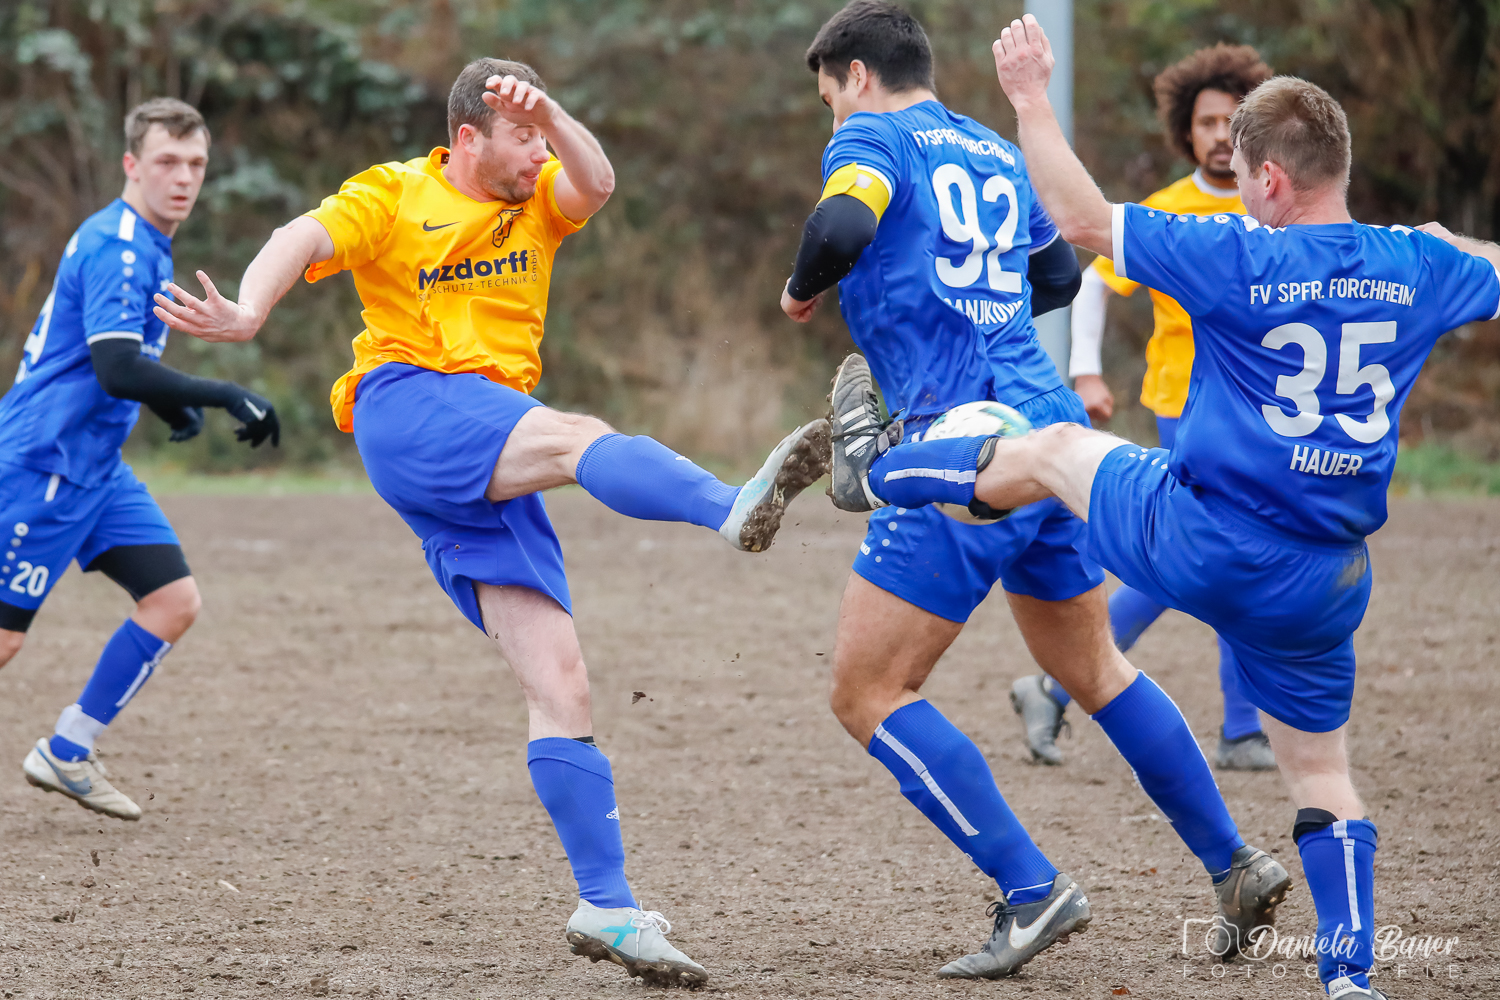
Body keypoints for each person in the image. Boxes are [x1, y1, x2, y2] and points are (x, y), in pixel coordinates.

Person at [849, 16, 1500, 998]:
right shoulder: (1420, 267)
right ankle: (1349, 976)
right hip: (1327, 579)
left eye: (1240, 173)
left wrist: (1030, 98)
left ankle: (882, 467)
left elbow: (1079, 220)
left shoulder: (1244, 255)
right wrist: (1454, 243)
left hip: (1204, 531)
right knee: (1322, 776)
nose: (1235, 191)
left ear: (1271, 181)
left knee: (1056, 451)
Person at [152, 58, 829, 987]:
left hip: (485, 438)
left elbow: (598, 181)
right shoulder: (394, 193)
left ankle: (608, 907)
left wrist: (548, 111)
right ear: (468, 136)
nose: (538, 155)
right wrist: (248, 309)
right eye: (522, 138)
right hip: (408, 405)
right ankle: (730, 505)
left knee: (562, 682)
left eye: (542, 137)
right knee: (574, 437)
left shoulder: (541, 196)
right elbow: (300, 234)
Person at [780, 1, 1285, 980]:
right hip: (1046, 424)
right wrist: (978, 305)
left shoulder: (876, 134)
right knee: (1097, 670)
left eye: (827, 98)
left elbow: (841, 221)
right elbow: (1053, 273)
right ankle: (1235, 861)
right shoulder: (988, 149)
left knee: (868, 692)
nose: (830, 117)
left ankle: (1029, 886)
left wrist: (803, 291)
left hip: (962, 441)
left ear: (854, 74)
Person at [1, 98, 281, 822]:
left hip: (93, 464)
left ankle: (66, 750)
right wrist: (221, 392)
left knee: (172, 602)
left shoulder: (146, 240)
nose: (182, 177)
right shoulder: (119, 246)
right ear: (132, 165)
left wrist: (168, 402)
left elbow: (104, 359)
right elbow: (118, 368)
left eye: (195, 164)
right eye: (166, 162)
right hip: (45, 465)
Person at [1011, 44, 1278, 771]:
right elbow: (1095, 283)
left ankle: (1054, 687)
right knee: (1225, 559)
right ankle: (1241, 728)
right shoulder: (1168, 209)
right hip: (1185, 410)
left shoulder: (1277, 208)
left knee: (1198, 565)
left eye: (1235, 121)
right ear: (1185, 133)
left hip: (1263, 418)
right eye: (1208, 122)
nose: (1222, 135)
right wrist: (1087, 370)